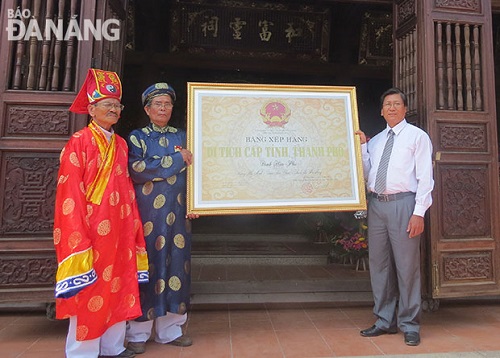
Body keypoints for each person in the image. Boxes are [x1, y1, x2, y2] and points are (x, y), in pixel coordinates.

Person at [53, 68, 149, 358]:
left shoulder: (120, 144)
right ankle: (83, 352)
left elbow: (127, 189)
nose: (114, 110)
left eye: (117, 105)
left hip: (119, 230)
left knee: (119, 285)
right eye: (107, 105)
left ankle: (113, 346)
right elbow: (69, 193)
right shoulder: (79, 141)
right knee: (90, 290)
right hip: (90, 230)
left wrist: (133, 226)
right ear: (91, 108)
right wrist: (76, 234)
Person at [355, 87, 434, 347]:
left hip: (404, 204)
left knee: (406, 267)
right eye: (387, 104)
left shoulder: (417, 137)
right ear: (381, 110)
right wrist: (364, 149)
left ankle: (409, 324)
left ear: (404, 109)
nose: (391, 107)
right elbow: (367, 173)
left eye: (396, 103)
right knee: (380, 266)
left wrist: (419, 212)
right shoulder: (376, 141)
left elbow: (425, 178)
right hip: (377, 205)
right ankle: (384, 321)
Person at [125, 82, 198, 354]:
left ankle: (171, 330)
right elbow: (137, 169)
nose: (163, 108)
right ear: (147, 109)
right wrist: (177, 161)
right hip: (148, 215)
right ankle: (139, 333)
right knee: (148, 268)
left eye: (167, 104)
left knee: (178, 266)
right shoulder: (137, 137)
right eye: (158, 104)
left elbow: (196, 173)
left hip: (179, 213)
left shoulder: (183, 136)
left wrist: (196, 200)